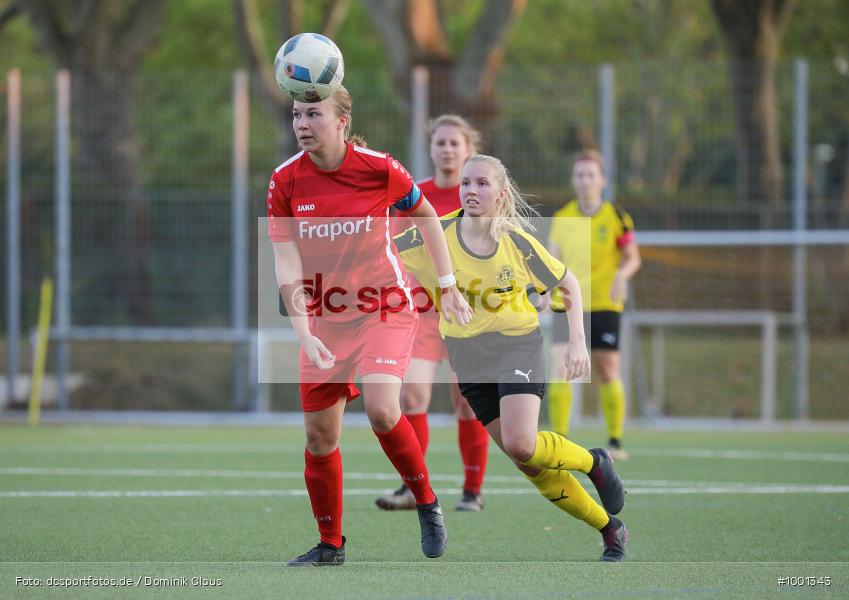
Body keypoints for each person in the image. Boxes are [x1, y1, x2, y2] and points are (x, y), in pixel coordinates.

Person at [267, 85, 473, 566]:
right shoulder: (284, 180)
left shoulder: (379, 167)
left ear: (341, 121)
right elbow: (284, 262)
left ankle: (426, 502)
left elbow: (425, 216)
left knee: (383, 407)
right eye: (297, 114)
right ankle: (330, 545)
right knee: (320, 437)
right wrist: (304, 332)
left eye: (313, 114)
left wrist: (448, 285)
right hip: (323, 320)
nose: (301, 124)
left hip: (384, 306)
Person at [394, 154, 628, 561]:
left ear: (501, 194)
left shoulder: (516, 241)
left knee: (522, 444)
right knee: (530, 462)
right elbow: (378, 251)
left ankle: (594, 461)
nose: (471, 190)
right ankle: (610, 528)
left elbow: (567, 282)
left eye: (482, 184)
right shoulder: (436, 234)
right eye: (466, 183)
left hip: (516, 344)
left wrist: (577, 341)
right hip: (467, 357)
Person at [376, 115, 490, 513]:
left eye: (454, 143)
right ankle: (413, 488)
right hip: (422, 315)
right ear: (430, 149)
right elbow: (394, 248)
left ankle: (472, 491)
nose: (446, 149)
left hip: (469, 314)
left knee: (467, 402)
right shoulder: (414, 196)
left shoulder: (479, 198)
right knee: (412, 395)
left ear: (468, 150)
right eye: (440, 142)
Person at [547, 150, 641, 460]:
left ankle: (615, 440)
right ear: (573, 181)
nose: (585, 181)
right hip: (568, 302)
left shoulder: (615, 216)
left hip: (604, 302)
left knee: (606, 369)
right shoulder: (562, 217)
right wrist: (546, 290)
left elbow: (632, 257)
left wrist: (621, 276)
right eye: (579, 175)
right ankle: (559, 440)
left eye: (590, 175)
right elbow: (552, 259)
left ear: (602, 180)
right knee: (562, 367)